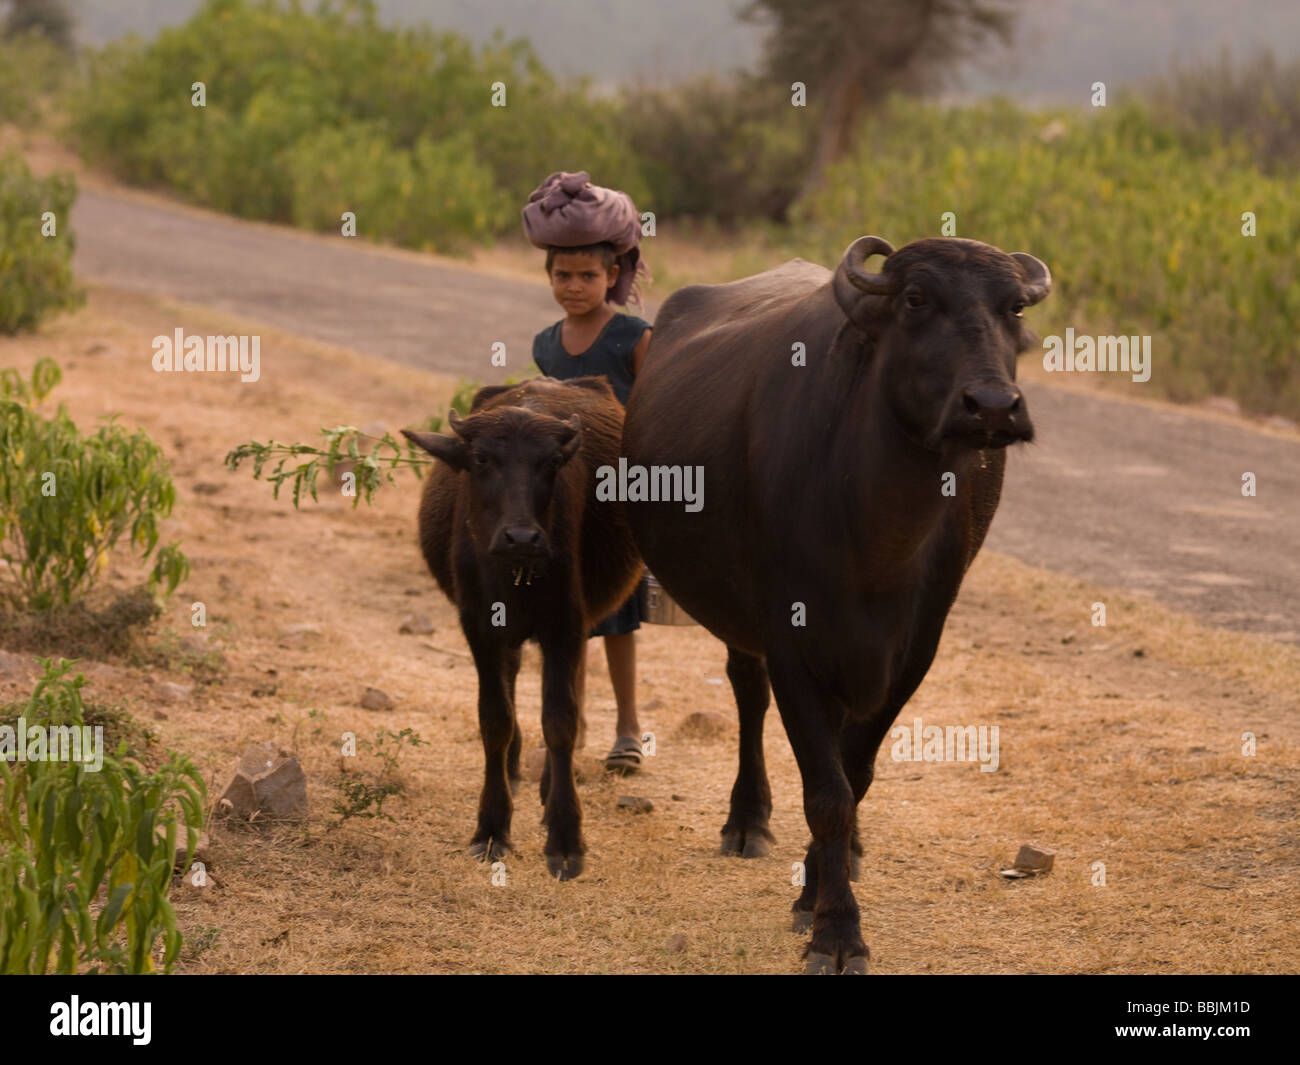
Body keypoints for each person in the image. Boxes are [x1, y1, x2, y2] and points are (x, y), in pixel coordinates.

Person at [522, 170, 652, 774]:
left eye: (588, 276)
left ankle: (629, 727)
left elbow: (654, 409)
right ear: (548, 278)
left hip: (615, 492)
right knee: (564, 615)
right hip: (563, 492)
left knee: (620, 615)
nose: (574, 287)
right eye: (562, 276)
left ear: (613, 276)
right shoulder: (546, 344)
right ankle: (566, 725)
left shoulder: (634, 336)